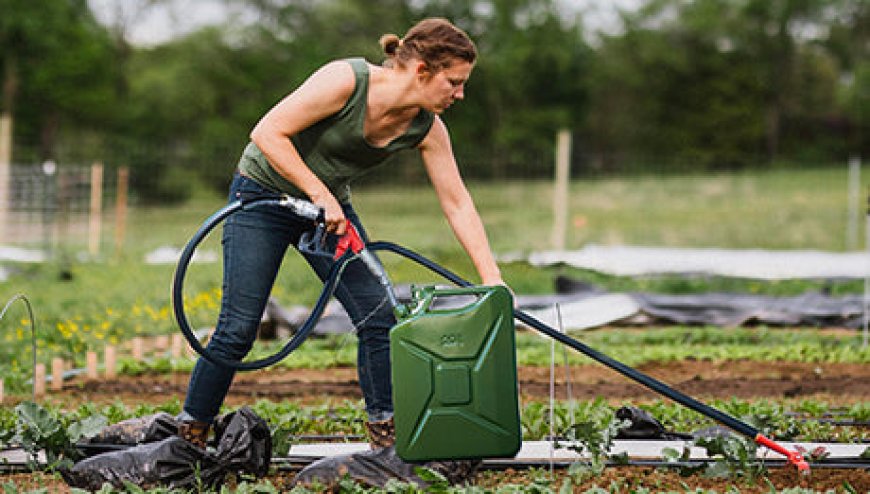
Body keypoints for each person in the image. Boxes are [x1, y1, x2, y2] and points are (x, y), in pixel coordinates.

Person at [177, 17, 507, 451]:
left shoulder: (426, 127)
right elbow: (267, 133)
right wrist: (318, 193)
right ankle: (190, 434)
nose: (460, 94)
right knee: (238, 329)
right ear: (422, 71)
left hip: (326, 211)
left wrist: (492, 278)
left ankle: (385, 438)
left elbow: (457, 202)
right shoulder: (345, 80)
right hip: (263, 196)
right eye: (454, 82)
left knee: (379, 315)